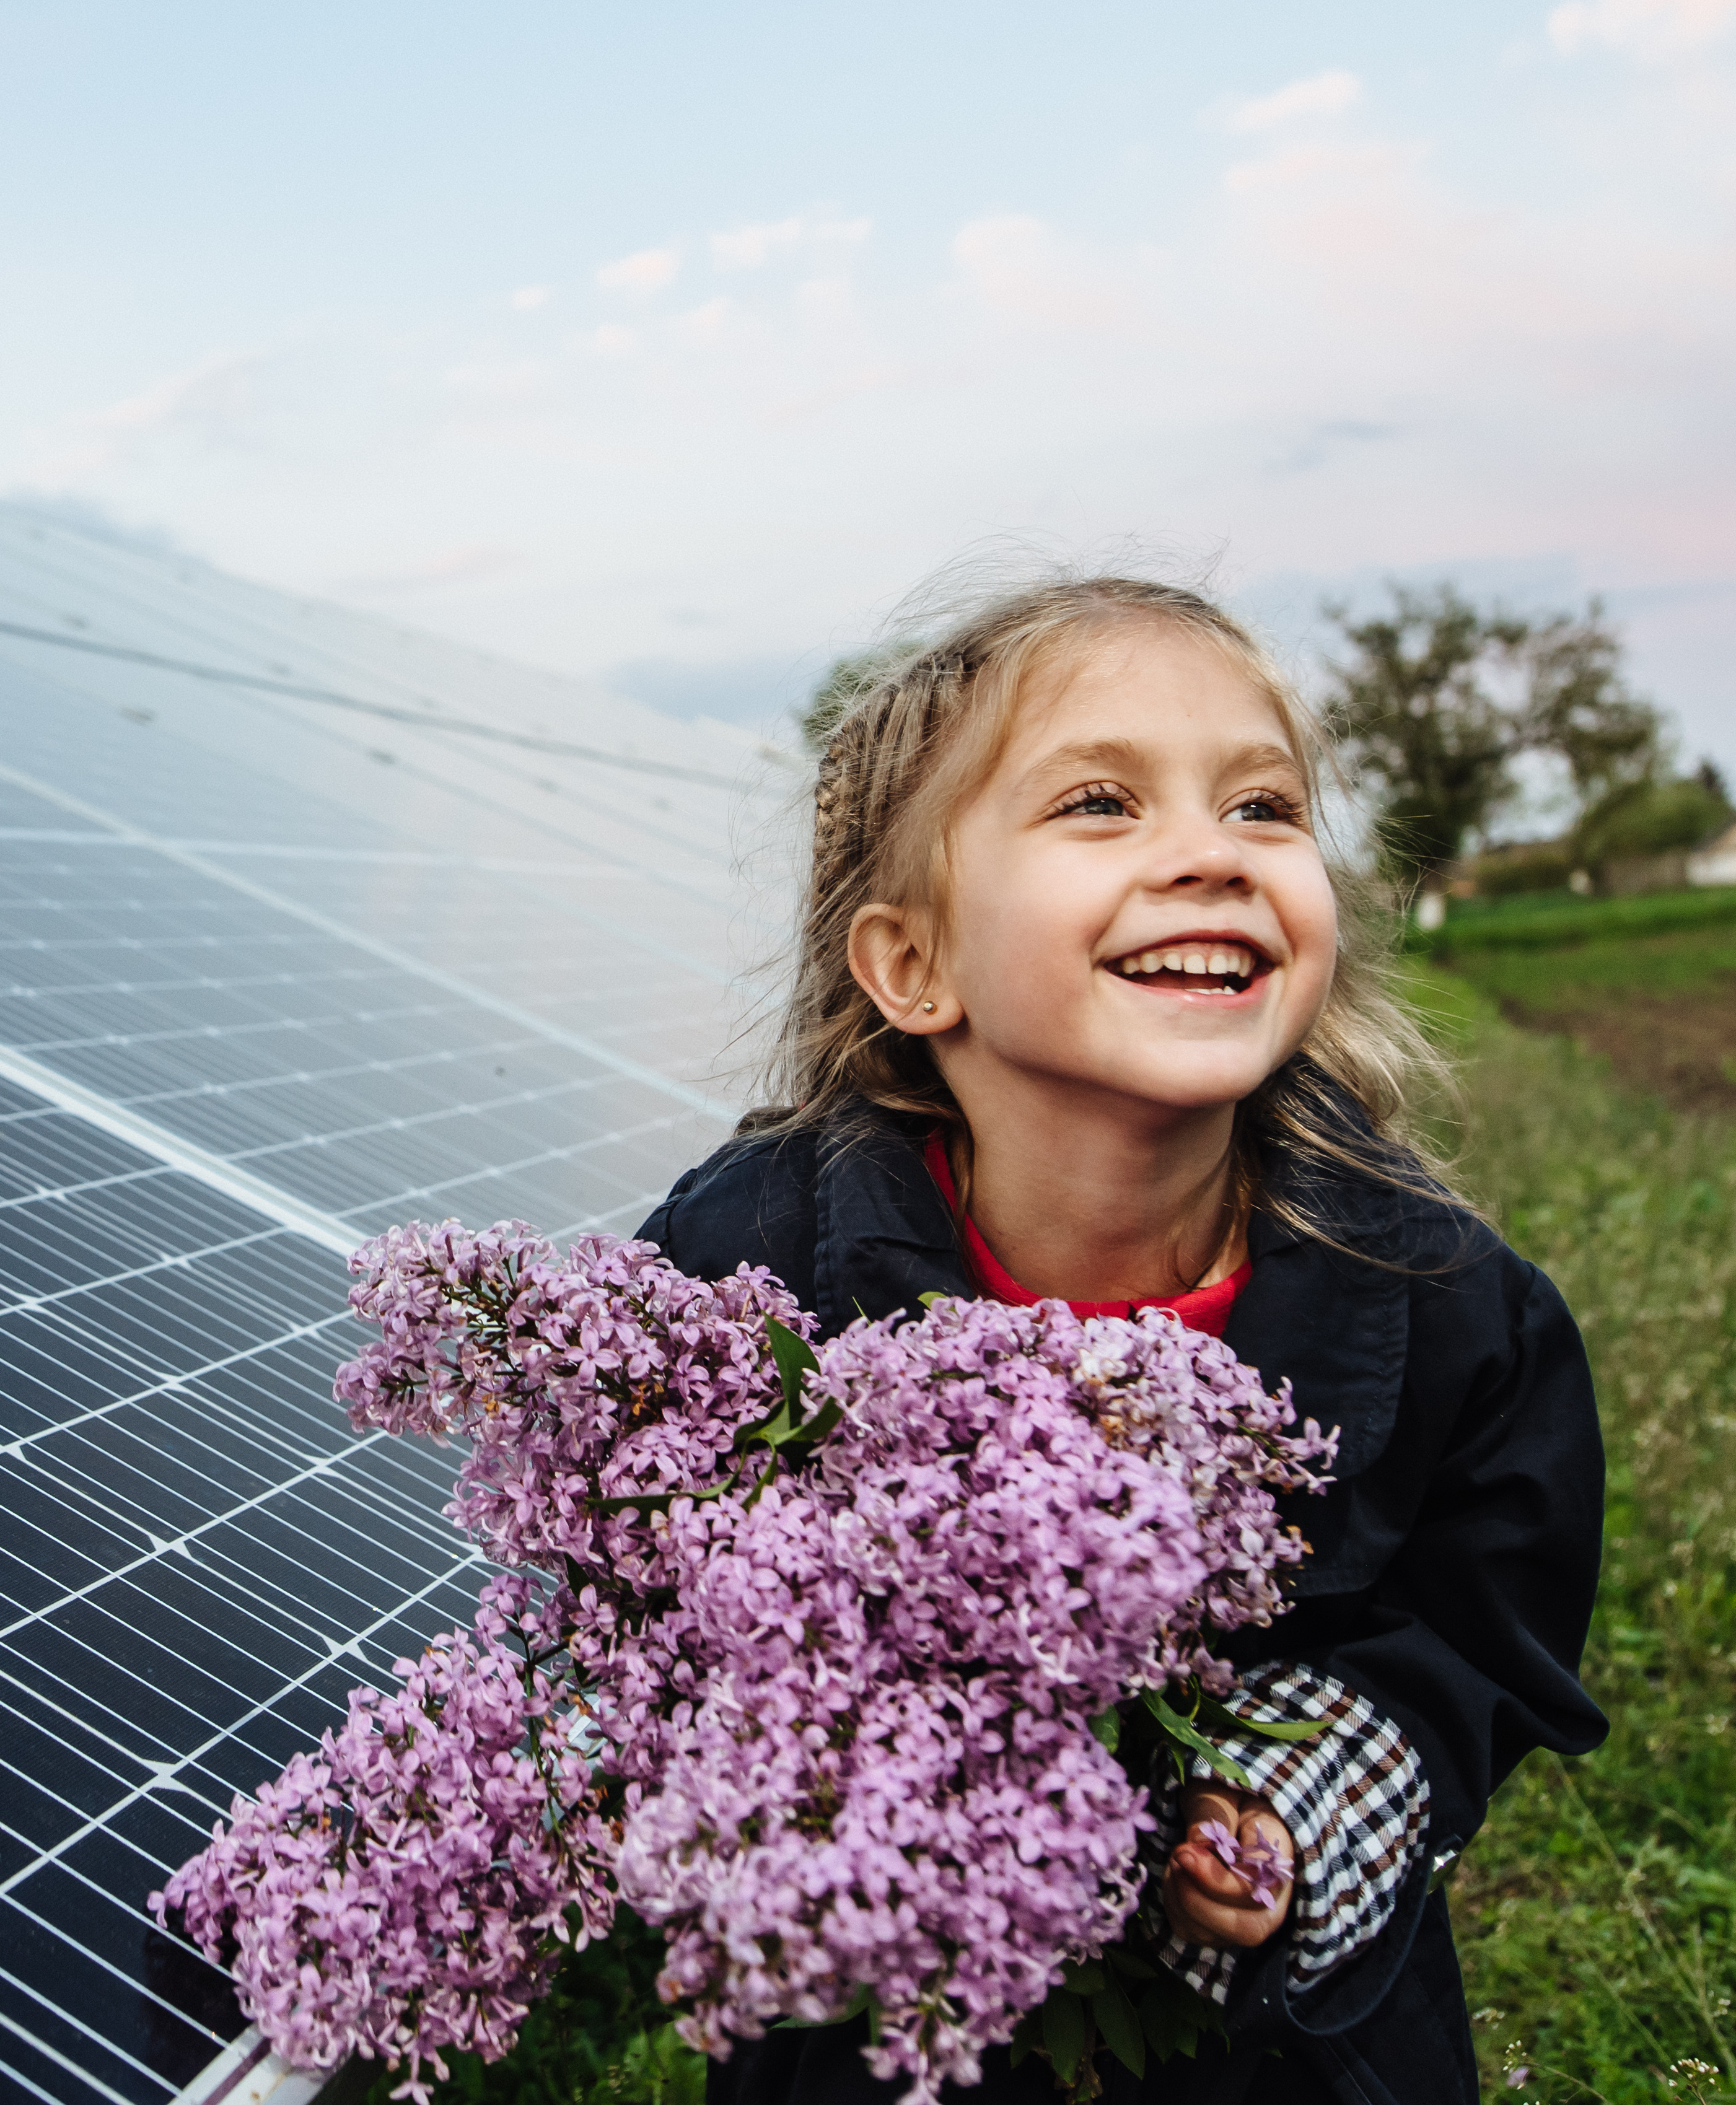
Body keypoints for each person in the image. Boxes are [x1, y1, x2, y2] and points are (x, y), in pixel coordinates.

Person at [639, 570, 1607, 2103]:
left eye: (1263, 808)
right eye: (1101, 802)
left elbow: (1477, 1643)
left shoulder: (1448, 1305)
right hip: (879, 2047)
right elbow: (629, 1609)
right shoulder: (740, 1266)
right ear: (912, 966)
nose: (1208, 855)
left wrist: (1285, 1807)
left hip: (1283, 2056)